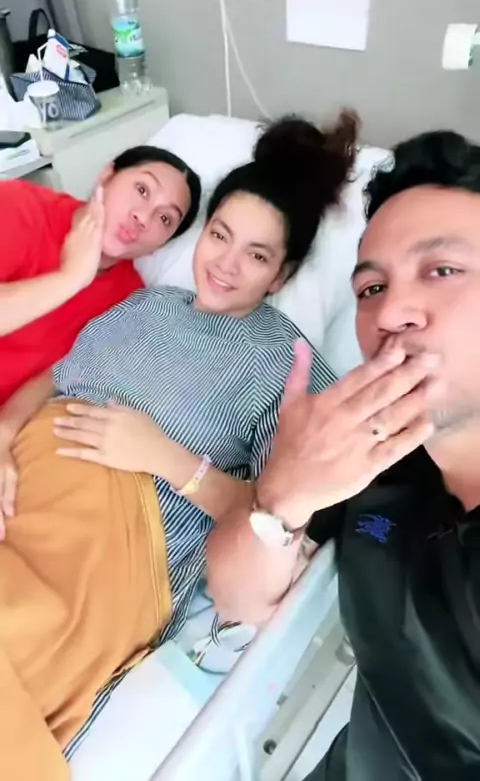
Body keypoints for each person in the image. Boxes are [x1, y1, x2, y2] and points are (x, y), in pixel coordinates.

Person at [0, 110, 358, 780]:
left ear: (281, 276)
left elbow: (283, 521)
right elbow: (54, 377)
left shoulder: (283, 363)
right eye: (219, 235)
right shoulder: (144, 305)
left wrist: (166, 457)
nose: (225, 262)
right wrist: (2, 439)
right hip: (24, 483)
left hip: (113, 547)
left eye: (256, 255)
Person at [202, 129, 480, 779]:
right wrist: (282, 497)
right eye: (371, 288)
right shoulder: (368, 452)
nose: (392, 313)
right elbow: (236, 597)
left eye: (442, 271)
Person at [0, 145, 201, 407]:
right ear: (106, 176)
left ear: (160, 246)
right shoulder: (18, 205)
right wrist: (70, 277)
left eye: (165, 218)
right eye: (142, 190)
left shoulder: (130, 302)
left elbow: (64, 375)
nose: (143, 217)